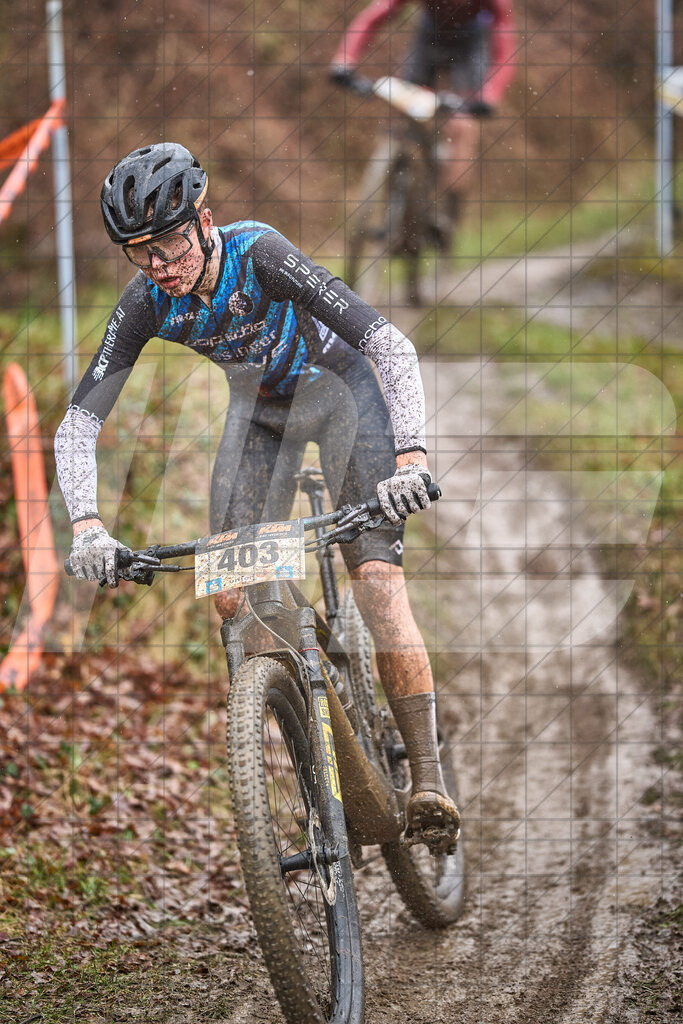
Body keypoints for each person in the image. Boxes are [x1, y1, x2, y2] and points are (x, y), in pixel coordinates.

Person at [54, 142, 459, 853]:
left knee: (377, 583)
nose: (158, 265)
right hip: (262, 418)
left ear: (204, 221)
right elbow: (79, 422)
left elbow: (388, 343)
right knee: (232, 596)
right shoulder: (147, 299)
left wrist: (410, 457)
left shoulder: (260, 253)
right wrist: (88, 526)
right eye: (138, 251)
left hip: (343, 398)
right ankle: (309, 747)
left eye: (171, 243)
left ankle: (427, 779)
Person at [330, 0, 516, 226]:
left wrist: (489, 95)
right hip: (429, 35)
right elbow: (375, 15)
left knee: (461, 125)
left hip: (472, 42)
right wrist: (344, 61)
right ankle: (395, 183)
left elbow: (504, 40)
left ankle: (447, 213)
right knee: (401, 103)